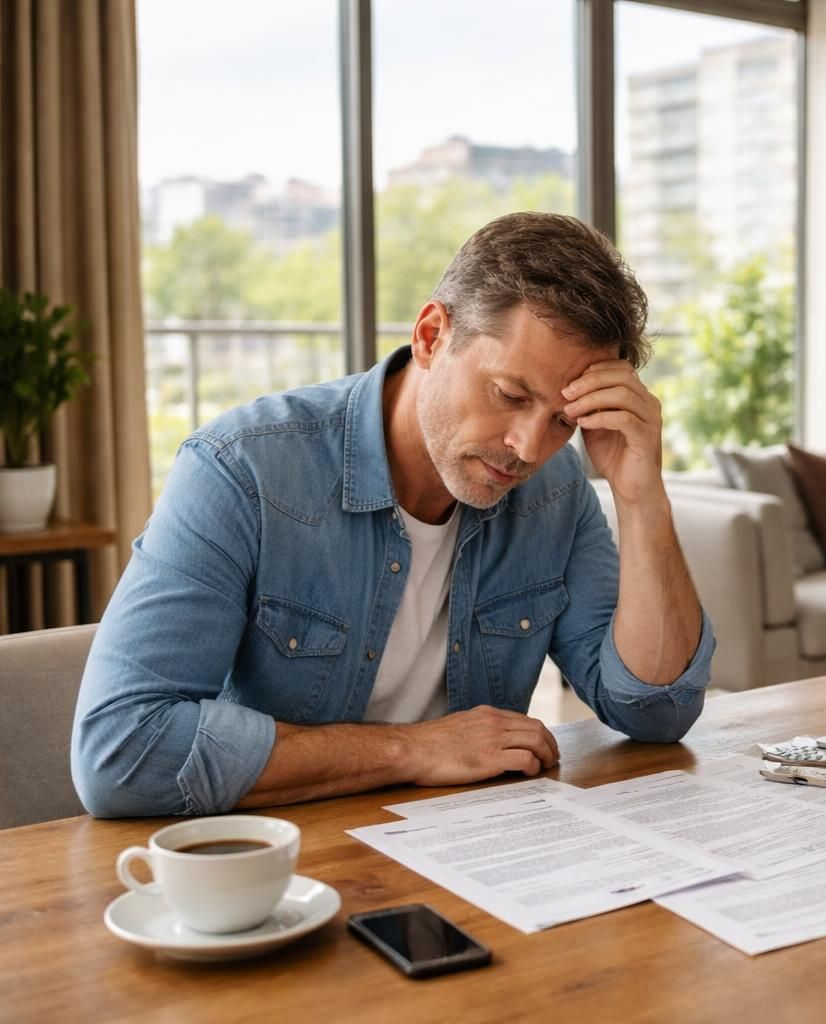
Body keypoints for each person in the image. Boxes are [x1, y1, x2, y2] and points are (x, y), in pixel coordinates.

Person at [71, 212, 715, 817]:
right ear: (432, 335)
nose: (528, 447)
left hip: (478, 851)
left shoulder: (556, 491)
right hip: (289, 866)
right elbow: (120, 749)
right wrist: (412, 749)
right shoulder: (243, 471)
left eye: (563, 421)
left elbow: (655, 712)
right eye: (510, 394)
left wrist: (641, 495)